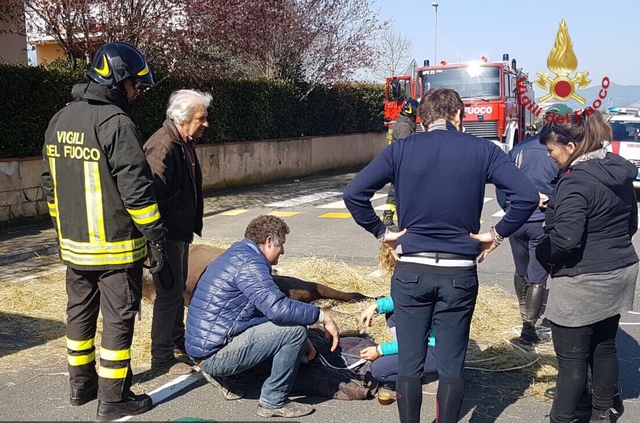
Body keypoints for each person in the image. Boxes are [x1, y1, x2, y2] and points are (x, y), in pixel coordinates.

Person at [343, 87, 539, 423]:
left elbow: (354, 193)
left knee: (410, 364)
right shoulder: (483, 150)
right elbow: (526, 196)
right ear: (459, 116)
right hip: (459, 272)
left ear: (422, 119)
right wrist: (495, 235)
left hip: (411, 271)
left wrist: (382, 233)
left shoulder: (401, 149)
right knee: (451, 366)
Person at [41, 42, 168, 421]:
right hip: (115, 249)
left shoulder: (60, 119)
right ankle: (114, 398)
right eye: (133, 85)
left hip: (74, 248)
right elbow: (137, 191)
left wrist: (62, 230)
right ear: (116, 80)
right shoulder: (116, 123)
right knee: (117, 321)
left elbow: (49, 185)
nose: (135, 92)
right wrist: (155, 237)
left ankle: (81, 386)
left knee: (79, 316)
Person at [535, 109, 638, 423]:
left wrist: (541, 251)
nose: (549, 156)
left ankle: (562, 417)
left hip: (583, 279)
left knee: (571, 360)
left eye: (551, 149)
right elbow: (630, 223)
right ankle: (602, 411)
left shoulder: (575, 180)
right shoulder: (616, 169)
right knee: (604, 346)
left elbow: (565, 240)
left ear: (570, 146)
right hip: (619, 269)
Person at [185, 215, 341, 418]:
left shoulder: (238, 254)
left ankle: (222, 374)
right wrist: (321, 316)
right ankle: (273, 402)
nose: (282, 250)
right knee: (294, 332)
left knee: (296, 332)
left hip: (204, 347)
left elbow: (260, 310)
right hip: (213, 354)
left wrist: (304, 338)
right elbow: (277, 308)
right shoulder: (251, 264)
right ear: (269, 241)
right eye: (281, 244)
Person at [143, 90, 211, 375]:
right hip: (165, 235)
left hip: (178, 232)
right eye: (201, 118)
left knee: (176, 291)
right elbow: (150, 195)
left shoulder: (183, 142)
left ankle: (178, 343)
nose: (206, 123)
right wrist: (155, 239)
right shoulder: (163, 145)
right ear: (183, 119)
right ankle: (161, 357)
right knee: (169, 294)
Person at [496, 105, 570, 345]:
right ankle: (529, 327)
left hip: (515, 219)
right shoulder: (559, 151)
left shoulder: (519, 148)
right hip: (541, 219)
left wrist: (508, 208)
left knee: (522, 270)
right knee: (538, 274)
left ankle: (523, 312)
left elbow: (501, 184)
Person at [359, 297, 437, 386]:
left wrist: (379, 350)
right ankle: (401, 353)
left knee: (378, 369)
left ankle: (422, 377)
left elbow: (413, 342)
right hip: (421, 340)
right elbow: (405, 298)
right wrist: (375, 306)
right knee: (393, 313)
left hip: (435, 350)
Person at [383, 99, 419, 231]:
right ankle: (390, 220)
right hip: (401, 165)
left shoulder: (397, 125)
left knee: (394, 191)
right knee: (400, 192)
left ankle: (388, 219)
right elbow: (406, 149)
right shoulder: (404, 128)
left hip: (394, 163)